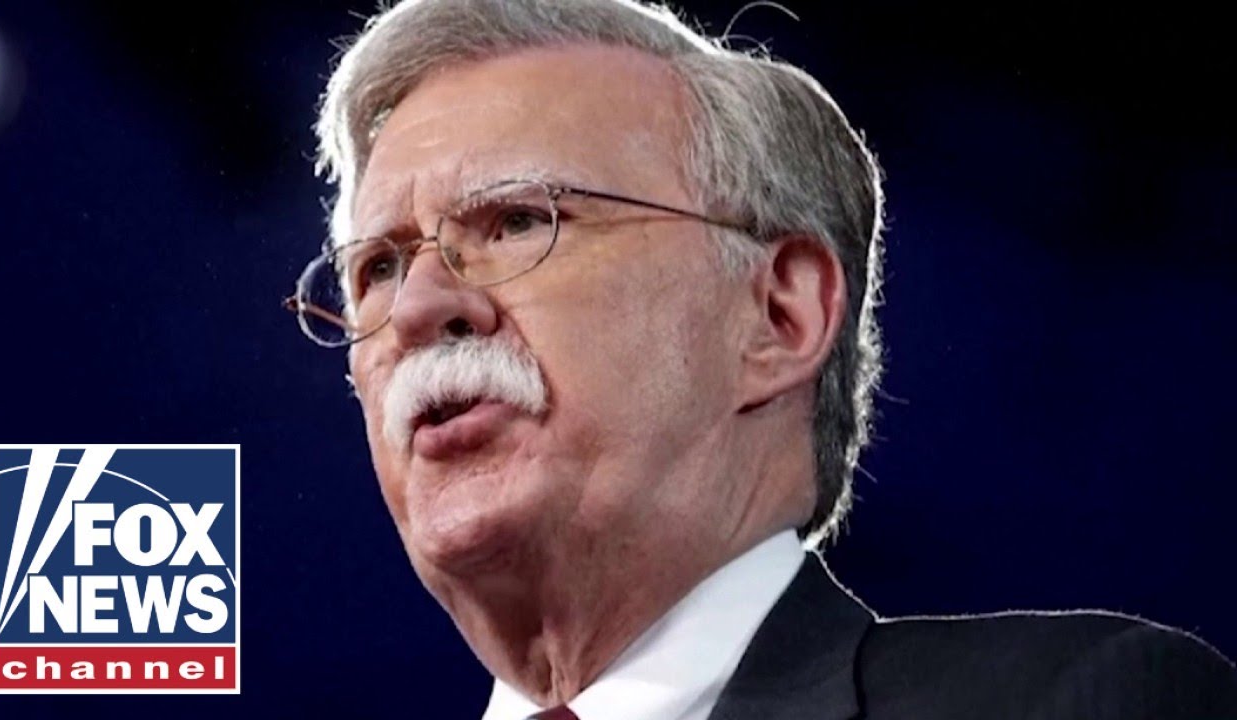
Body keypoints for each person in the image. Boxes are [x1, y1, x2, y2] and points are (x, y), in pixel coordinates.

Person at [285, 0, 1237, 717]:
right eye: (377, 269)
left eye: (519, 221)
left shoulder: (1080, 703)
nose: (417, 310)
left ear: (778, 315)